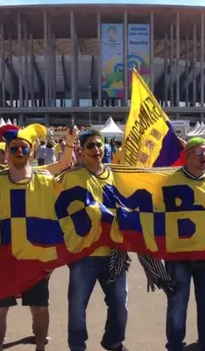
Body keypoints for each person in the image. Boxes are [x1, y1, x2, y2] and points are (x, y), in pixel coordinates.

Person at [0, 123, 55, 351]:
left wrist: (51, 258)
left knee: (40, 308)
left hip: (35, 258)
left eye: (24, 148)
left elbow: (55, 219)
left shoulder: (45, 180)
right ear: (6, 153)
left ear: (32, 151)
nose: (19, 152)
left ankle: (41, 348)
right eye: (14, 148)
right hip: (3, 258)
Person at [58, 129, 129, 351]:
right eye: (91, 146)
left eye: (100, 145)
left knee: (120, 305)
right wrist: (72, 240)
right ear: (82, 149)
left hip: (114, 253)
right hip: (84, 254)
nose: (97, 150)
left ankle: (113, 342)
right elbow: (56, 208)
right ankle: (77, 346)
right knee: (78, 306)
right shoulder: (70, 178)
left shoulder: (117, 176)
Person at [160, 137, 205, 351]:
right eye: (198, 152)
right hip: (179, 257)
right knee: (177, 306)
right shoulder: (168, 181)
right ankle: (175, 346)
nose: (204, 155)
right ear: (187, 155)